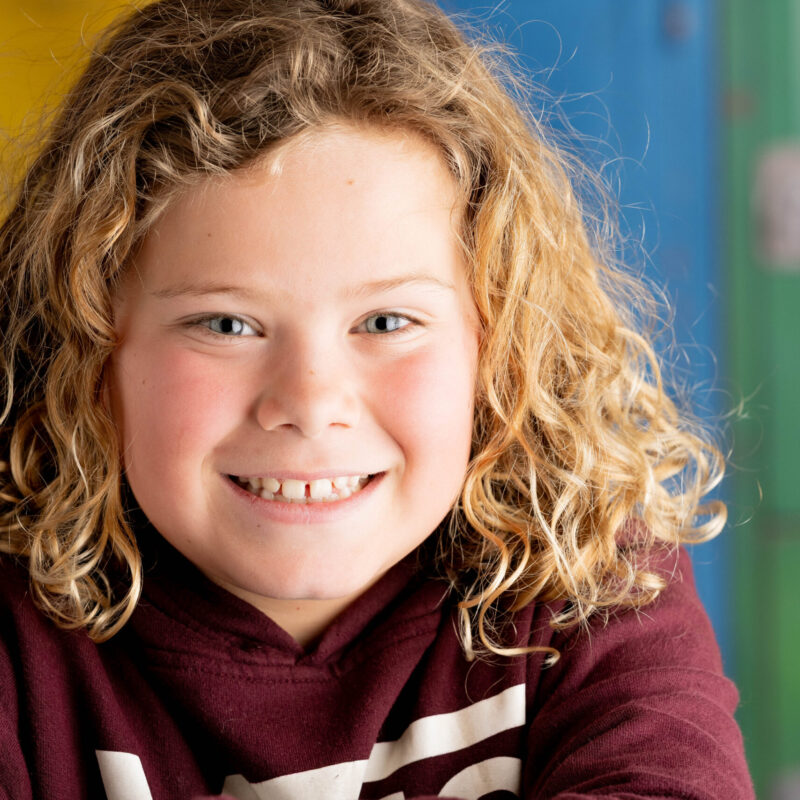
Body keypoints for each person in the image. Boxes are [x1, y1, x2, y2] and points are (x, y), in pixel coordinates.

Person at [0, 1, 753, 798]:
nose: (311, 402)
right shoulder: (23, 635)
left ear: (498, 343)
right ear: (88, 345)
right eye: (226, 323)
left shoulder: (588, 577)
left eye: (387, 321)